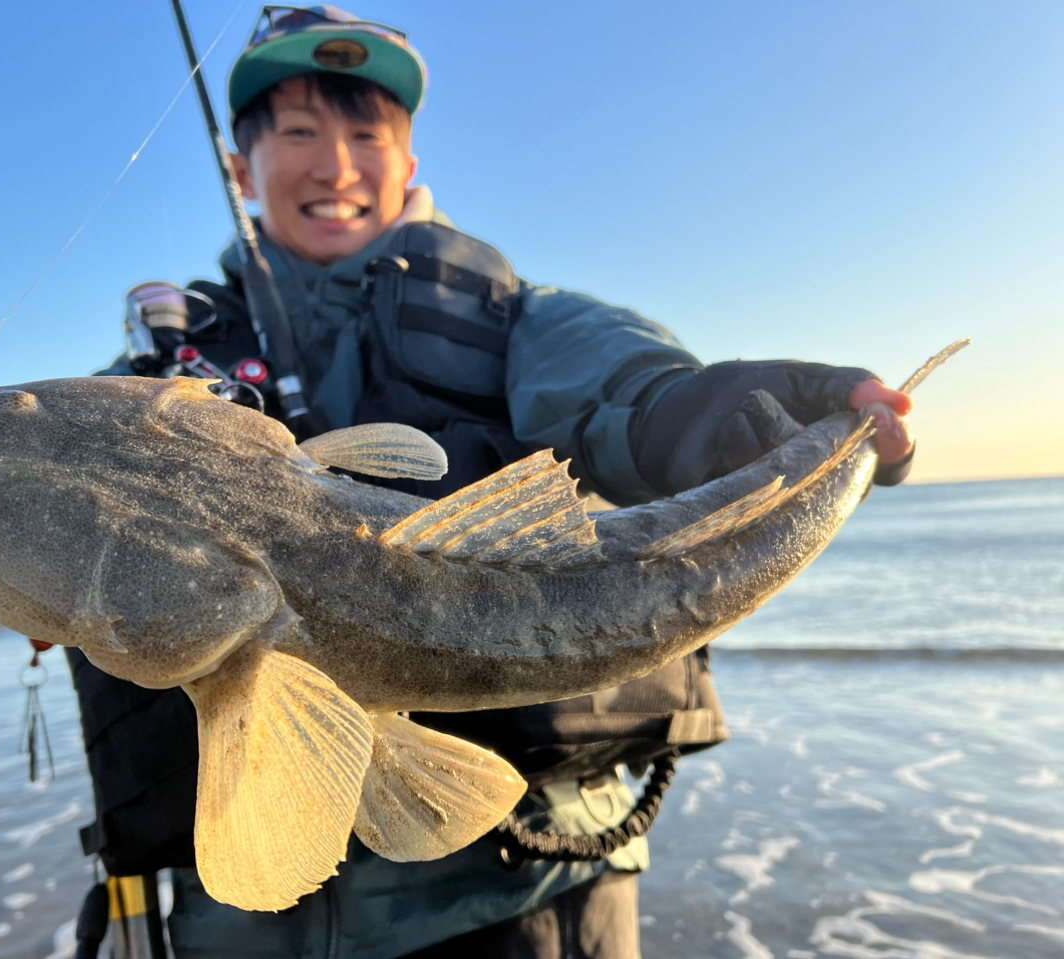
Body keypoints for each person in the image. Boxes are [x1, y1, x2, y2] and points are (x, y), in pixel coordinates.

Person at [78, 7, 915, 958]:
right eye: (301, 133)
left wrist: (748, 418)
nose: (336, 165)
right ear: (243, 167)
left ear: (410, 161)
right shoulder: (161, 376)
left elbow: (630, 390)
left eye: (367, 134)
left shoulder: (514, 316)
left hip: (528, 887)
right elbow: (45, 515)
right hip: (243, 912)